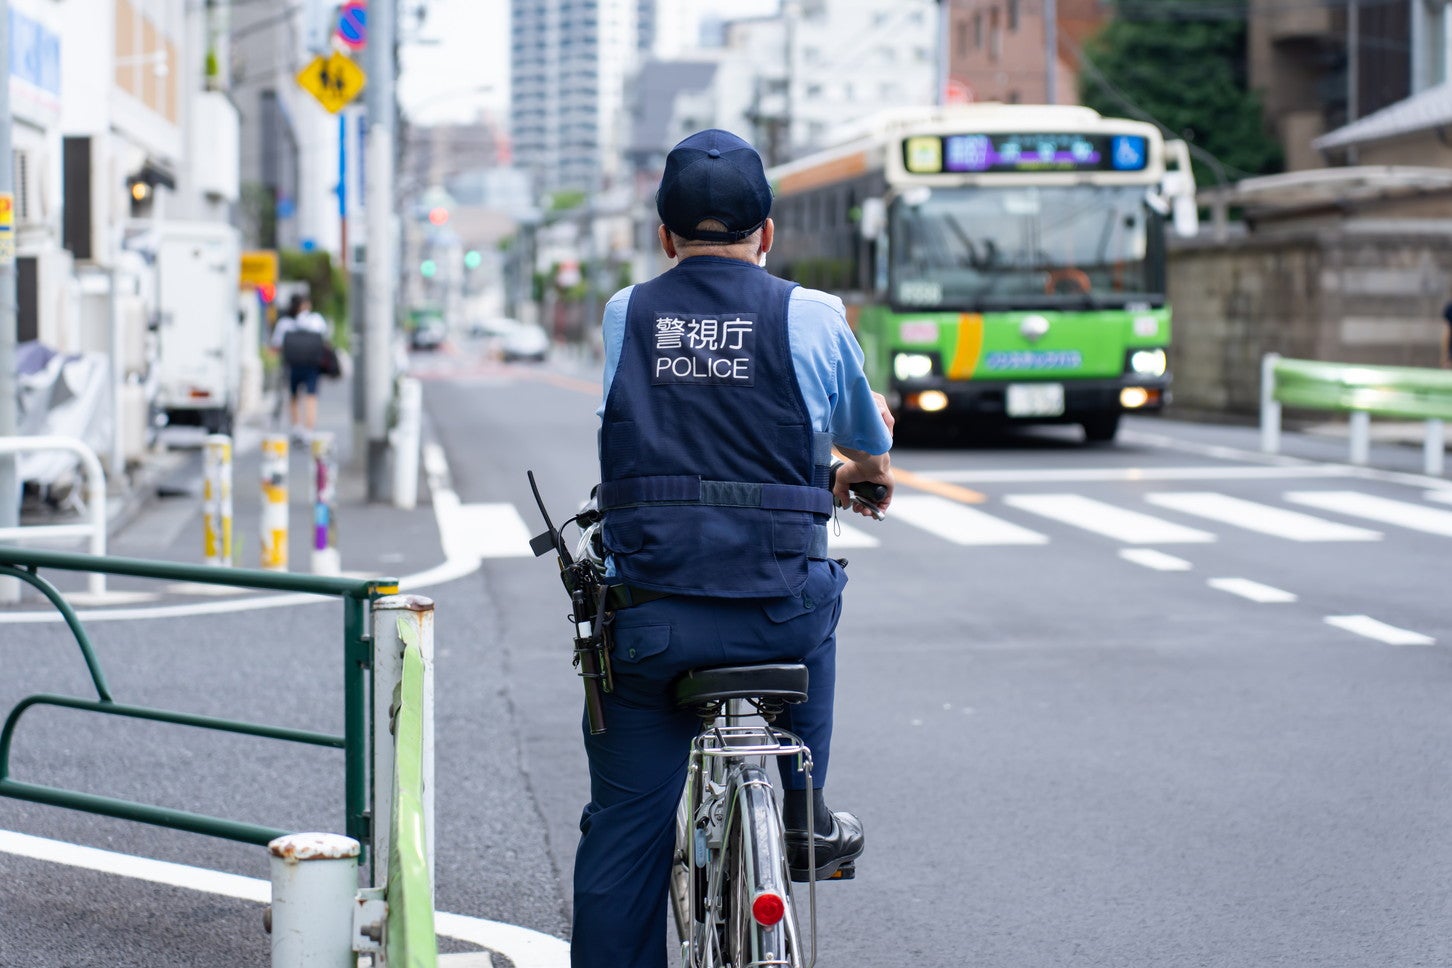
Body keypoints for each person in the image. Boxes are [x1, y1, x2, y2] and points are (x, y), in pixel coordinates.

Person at [574, 128, 895, 968]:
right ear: (768, 233)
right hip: (778, 619)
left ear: (664, 237)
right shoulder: (814, 316)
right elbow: (865, 437)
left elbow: (632, 433)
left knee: (622, 839)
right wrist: (860, 469)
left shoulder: (627, 314)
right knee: (820, 599)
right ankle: (800, 810)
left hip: (651, 627)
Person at [269, 294, 331, 441]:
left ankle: (296, 428)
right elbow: (325, 340)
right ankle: (309, 429)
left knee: (294, 396)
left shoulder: (285, 323)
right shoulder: (316, 320)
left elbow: (276, 346)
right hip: (312, 365)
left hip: (292, 365)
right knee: (311, 397)